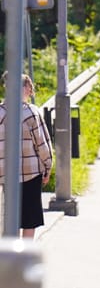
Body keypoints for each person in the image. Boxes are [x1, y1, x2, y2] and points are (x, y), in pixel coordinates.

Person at [0, 74, 53, 239]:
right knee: (30, 219)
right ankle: (25, 255)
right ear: (26, 89)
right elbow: (42, 144)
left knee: (11, 218)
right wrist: (48, 166)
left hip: (6, 174)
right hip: (30, 173)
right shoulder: (31, 112)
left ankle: (11, 256)